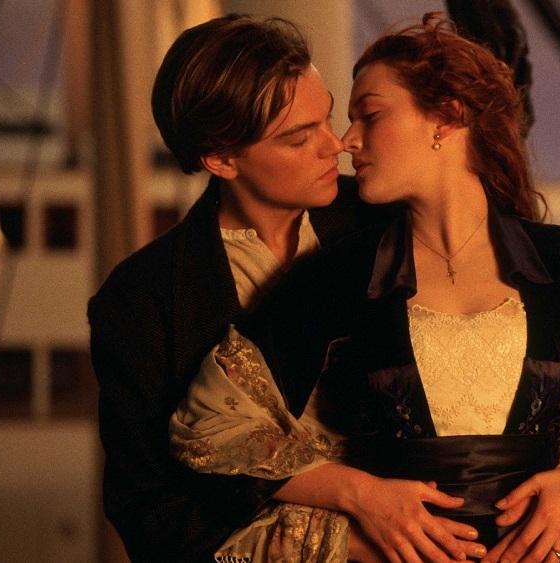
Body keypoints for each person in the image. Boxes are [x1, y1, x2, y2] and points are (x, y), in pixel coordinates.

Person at [170, 13, 560, 563]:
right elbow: (212, 426)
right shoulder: (334, 277)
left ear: (447, 118)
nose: (346, 140)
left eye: (369, 115)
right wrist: (361, 495)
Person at [87, 14, 396, 562]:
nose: (335, 146)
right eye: (299, 137)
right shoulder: (138, 300)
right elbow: (153, 517)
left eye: (327, 118)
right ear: (221, 159)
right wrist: (346, 541)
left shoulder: (386, 220)